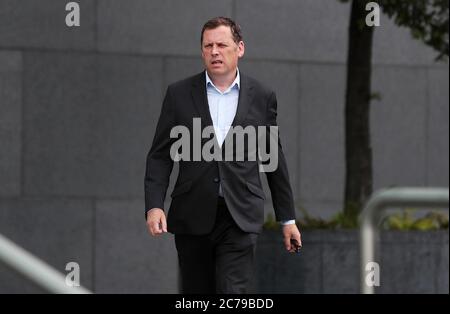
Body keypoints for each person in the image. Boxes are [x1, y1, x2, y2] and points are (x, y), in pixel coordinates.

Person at [144, 16, 301, 294]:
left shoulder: (262, 96)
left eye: (221, 45)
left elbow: (272, 157)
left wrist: (287, 219)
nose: (214, 51)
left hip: (240, 214)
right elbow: (160, 155)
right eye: (208, 46)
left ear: (239, 48)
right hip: (192, 215)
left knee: (234, 291)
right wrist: (155, 205)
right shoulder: (179, 94)